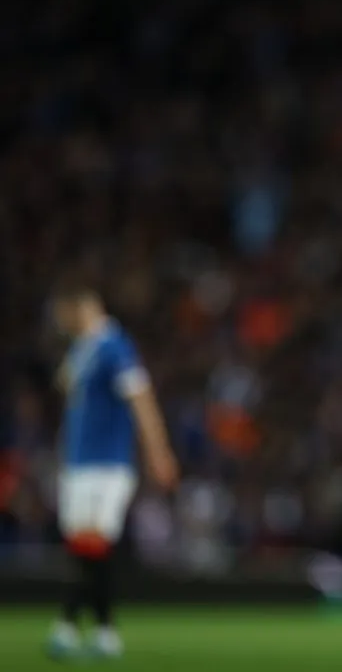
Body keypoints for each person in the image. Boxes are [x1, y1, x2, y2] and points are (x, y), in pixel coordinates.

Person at [47, 280, 179, 659]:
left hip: (107, 463)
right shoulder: (84, 349)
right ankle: (91, 630)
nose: (59, 322)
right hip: (79, 462)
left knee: (94, 545)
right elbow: (65, 386)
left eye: (63, 313)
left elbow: (141, 397)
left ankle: (80, 628)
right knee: (83, 550)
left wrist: (159, 451)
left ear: (80, 307)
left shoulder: (114, 346)